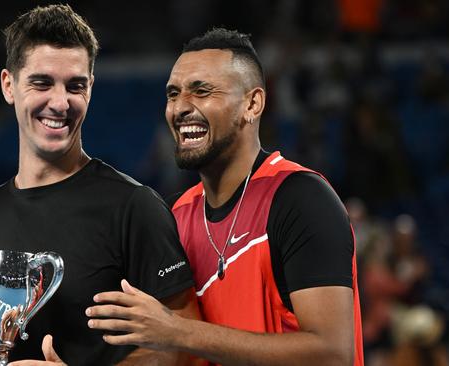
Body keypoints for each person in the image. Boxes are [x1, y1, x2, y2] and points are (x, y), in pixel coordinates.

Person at [0, 5, 199, 366]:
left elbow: (186, 347)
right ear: (9, 85)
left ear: (90, 88)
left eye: (75, 86)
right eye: (41, 82)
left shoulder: (134, 207)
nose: (59, 103)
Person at [85, 28, 364, 365]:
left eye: (202, 91)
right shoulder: (178, 215)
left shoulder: (300, 198)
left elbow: (332, 355)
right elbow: (176, 357)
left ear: (252, 103)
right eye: (173, 94)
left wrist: (178, 331)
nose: (179, 108)